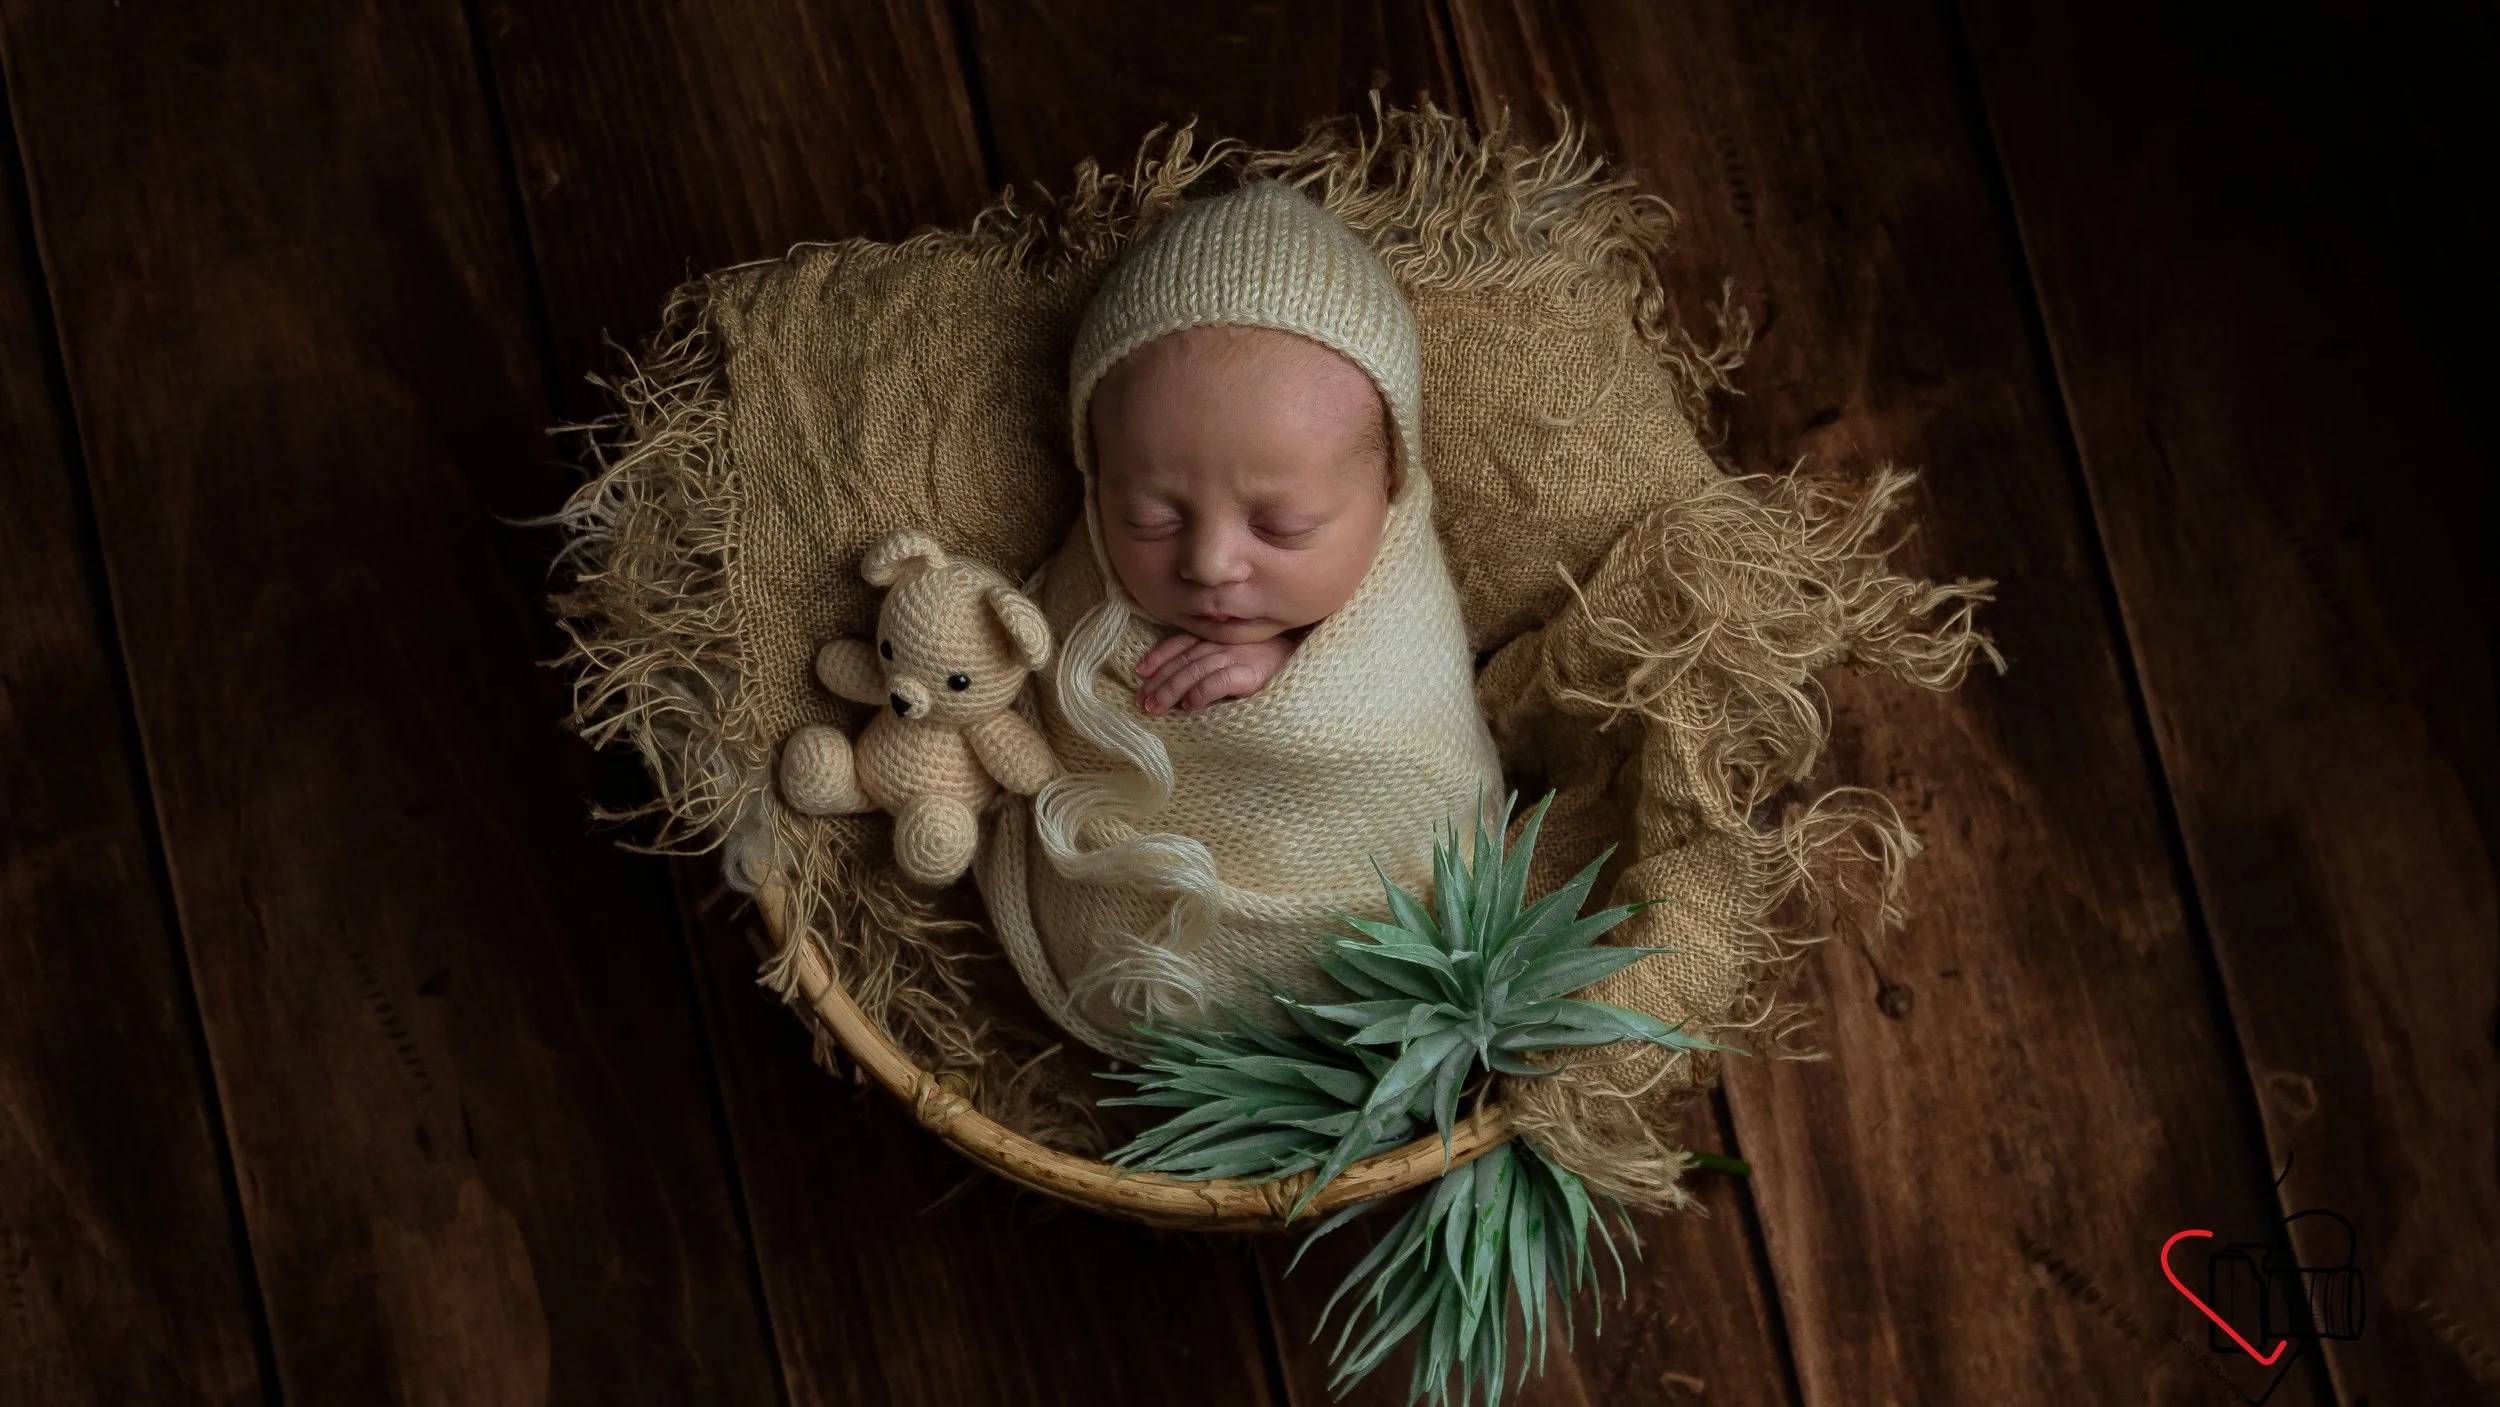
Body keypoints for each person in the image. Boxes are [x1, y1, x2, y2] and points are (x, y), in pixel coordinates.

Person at [977, 179, 1504, 1054]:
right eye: (1152, 518)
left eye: (1281, 526)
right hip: (1121, 965)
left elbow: (1422, 756)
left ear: (1388, 487)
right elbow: (1028, 716)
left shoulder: (1402, 613)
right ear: (1095, 481)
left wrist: (1295, 674)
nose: (1211, 563)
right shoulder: (1079, 592)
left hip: (1371, 992)